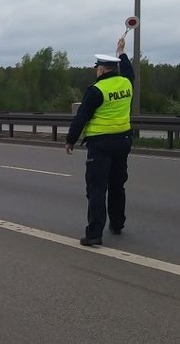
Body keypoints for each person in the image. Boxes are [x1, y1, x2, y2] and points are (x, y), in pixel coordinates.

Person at [65, 37, 134, 246]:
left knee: (97, 188)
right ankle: (117, 223)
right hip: (123, 141)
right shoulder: (126, 83)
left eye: (97, 69)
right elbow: (129, 70)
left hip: (101, 145)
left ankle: (95, 233)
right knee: (117, 184)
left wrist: (70, 140)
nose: (96, 72)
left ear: (102, 70)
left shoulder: (96, 90)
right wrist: (121, 52)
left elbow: (82, 116)